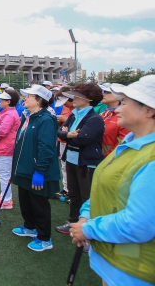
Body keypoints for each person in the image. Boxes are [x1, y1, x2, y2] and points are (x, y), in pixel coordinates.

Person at [69, 75, 155, 285]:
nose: (117, 109)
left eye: (124, 103)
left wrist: (88, 229)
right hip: (114, 261)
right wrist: (85, 216)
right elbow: (104, 187)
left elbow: (139, 225)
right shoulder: (130, 142)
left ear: (149, 110)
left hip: (134, 272)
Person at [11, 84, 59, 252]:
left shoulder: (45, 119)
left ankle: (45, 237)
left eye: (29, 96)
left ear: (40, 100)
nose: (25, 98)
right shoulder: (28, 116)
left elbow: (46, 148)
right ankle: (29, 226)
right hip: (24, 168)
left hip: (36, 170)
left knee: (39, 204)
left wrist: (40, 171)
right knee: (25, 200)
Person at [56, 83, 105, 236]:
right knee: (74, 194)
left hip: (86, 163)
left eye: (78, 95)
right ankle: (73, 222)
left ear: (89, 99)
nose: (73, 98)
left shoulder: (94, 119)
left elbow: (83, 138)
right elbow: (60, 132)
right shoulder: (74, 114)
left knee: (87, 197)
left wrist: (67, 134)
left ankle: (88, 230)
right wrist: (68, 134)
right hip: (71, 159)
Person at [0, 90, 21, 210]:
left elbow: (2, 132)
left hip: (6, 147)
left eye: (3, 100)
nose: (0, 101)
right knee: (3, 173)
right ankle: (4, 195)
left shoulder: (9, 114)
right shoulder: (8, 112)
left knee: (4, 174)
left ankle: (7, 200)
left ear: (8, 101)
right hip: (4, 146)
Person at [99, 83, 129, 157]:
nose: (104, 94)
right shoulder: (103, 114)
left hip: (109, 158)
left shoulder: (125, 116)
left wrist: (106, 157)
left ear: (119, 97)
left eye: (108, 92)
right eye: (104, 92)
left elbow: (122, 142)